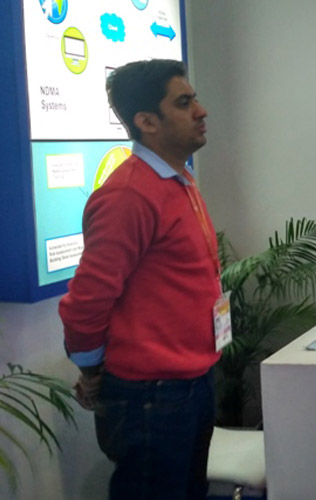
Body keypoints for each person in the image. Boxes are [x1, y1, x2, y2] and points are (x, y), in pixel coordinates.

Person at [59, 59, 222, 500]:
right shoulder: (129, 195)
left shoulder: (178, 180)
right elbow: (86, 301)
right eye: (184, 103)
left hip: (191, 382)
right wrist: (92, 371)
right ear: (147, 122)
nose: (201, 111)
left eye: (194, 99)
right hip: (153, 396)